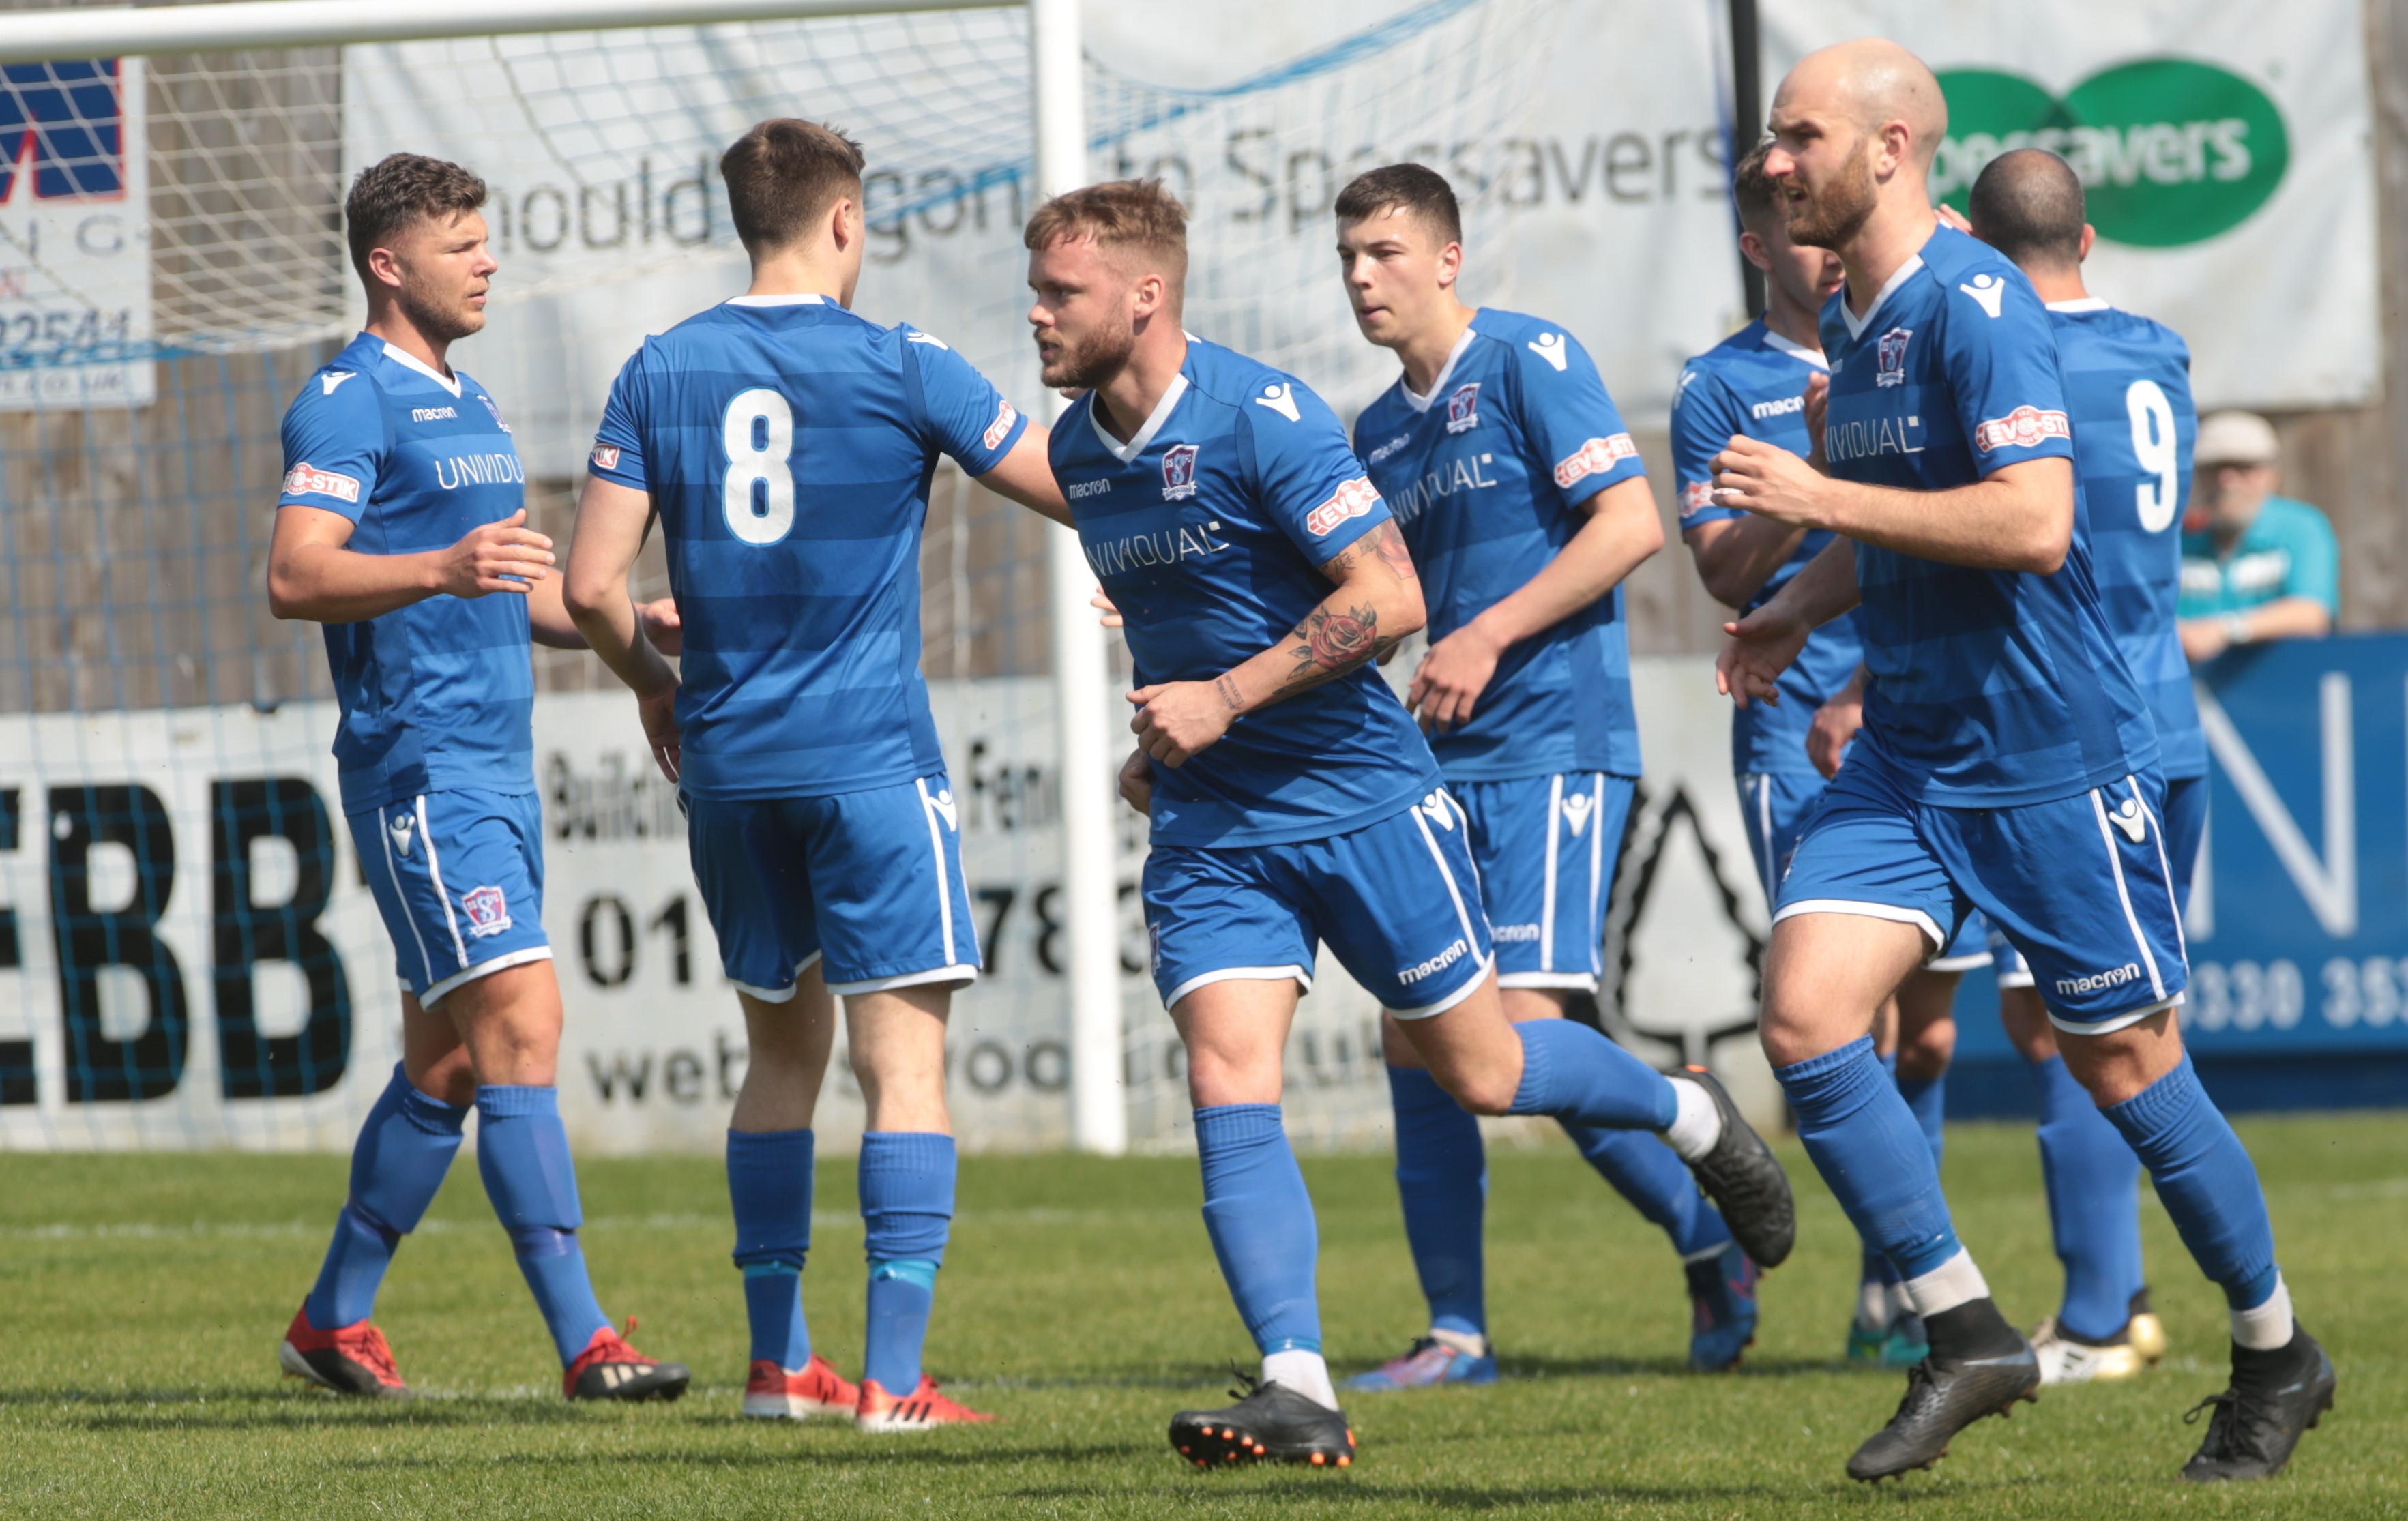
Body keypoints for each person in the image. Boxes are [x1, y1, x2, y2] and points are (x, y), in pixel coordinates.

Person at [1029, 178, 1795, 1470]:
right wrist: (1163, 744)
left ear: (1145, 295)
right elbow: (1188, 622)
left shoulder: (1265, 416)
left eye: (1061, 293)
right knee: (1227, 1074)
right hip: (1219, 825)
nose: (1037, 316)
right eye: (1035, 292)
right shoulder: (1072, 453)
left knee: (1489, 1067)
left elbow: (1387, 601)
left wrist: (1229, 697)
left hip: (1368, 796)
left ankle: (1687, 1114)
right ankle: (1299, 1380)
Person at [1713, 40, 2333, 1482]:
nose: (1772, 161)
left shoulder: (1975, 300)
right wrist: (1798, 599)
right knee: (1805, 1016)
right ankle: (1964, 1328)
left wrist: (1813, 492)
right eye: (1770, 138)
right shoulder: (1857, 320)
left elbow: (2034, 520)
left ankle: (2273, 1347)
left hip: (2048, 757)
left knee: (2126, 1065)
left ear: (1889, 150)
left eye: (1798, 136)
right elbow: (1895, 527)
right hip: (1911, 753)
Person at [564, 119, 1066, 1432]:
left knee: (779, 1061)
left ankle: (781, 1367)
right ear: (845, 222)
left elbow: (589, 590)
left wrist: (656, 691)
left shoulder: (658, 370)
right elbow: (1069, 486)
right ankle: (894, 1382)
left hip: (730, 768)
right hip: (867, 765)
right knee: (903, 1071)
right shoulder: (909, 363)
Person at [1332, 162, 1760, 1387]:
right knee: (1417, 1038)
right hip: (1436, 764)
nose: (1365, 276)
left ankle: (1698, 1182)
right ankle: (1456, 1331)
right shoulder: (1377, 430)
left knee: (1523, 1032)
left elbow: (1628, 526)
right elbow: (1379, 602)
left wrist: (1487, 635)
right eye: (1351, 256)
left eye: (1388, 252)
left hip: (1552, 748)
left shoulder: (1528, 358)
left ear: (1450, 259)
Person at [268, 153, 688, 1402]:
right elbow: (296, 576)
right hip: (423, 770)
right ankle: (587, 1344)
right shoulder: (350, 401)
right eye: (461, 243)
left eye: (487, 239)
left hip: (497, 766)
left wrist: (626, 622)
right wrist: (438, 569)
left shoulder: (476, 401)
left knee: (451, 1065)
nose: (487, 260)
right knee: (524, 1027)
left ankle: (333, 1321)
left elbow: (513, 589)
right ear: (389, 263)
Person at [1675, 140, 1959, 1370]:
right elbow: (1723, 571)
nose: (1822, 245)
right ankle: (1904, 1287)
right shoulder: (1718, 387)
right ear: (1757, 248)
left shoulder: (1906, 339)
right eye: (1794, 230)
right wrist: (1806, 486)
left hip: (1927, 705)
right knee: (1834, 1014)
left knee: (1932, 1032)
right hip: (1793, 725)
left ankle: (1904, 1279)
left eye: (1825, 220)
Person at [2177, 411, 2338, 661]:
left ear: (2271, 474)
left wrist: (2225, 630)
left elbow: (2311, 614)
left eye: (2244, 468)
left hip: (2279, 685)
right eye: (2215, 468)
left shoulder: (2300, 528)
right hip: (2194, 688)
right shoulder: (2177, 539)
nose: (2227, 481)